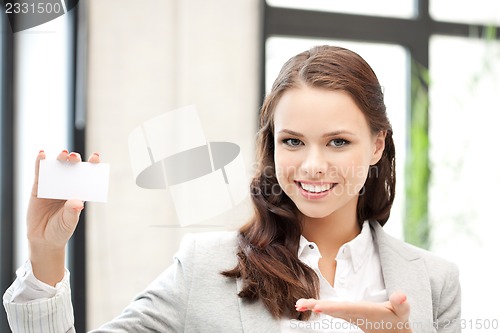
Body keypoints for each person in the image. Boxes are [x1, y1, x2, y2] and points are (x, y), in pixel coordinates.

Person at [3, 46, 460, 332]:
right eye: (293, 142)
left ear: (378, 144)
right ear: (272, 146)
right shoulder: (206, 266)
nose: (313, 165)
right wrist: (46, 254)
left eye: (338, 142)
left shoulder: (434, 282)